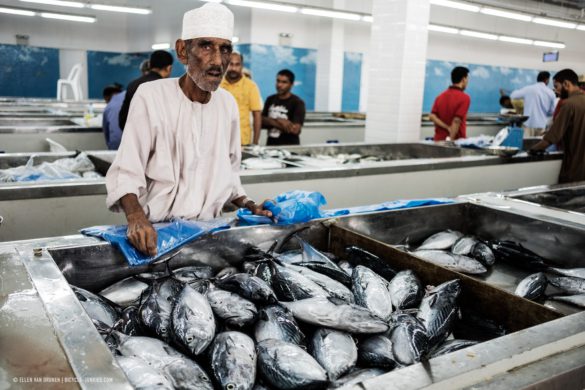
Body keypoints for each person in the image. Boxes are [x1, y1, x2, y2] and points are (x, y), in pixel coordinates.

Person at [106, 3, 272, 256]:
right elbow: (127, 169)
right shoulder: (151, 96)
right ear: (183, 51)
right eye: (206, 46)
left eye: (225, 49)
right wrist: (136, 217)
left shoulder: (227, 104)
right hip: (156, 234)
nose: (218, 61)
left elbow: (229, 170)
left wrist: (249, 204)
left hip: (208, 233)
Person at [530, 69, 585, 184]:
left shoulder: (569, 104)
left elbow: (551, 138)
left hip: (574, 170)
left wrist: (532, 150)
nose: (556, 90)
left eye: (556, 86)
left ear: (566, 84)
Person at [118, 50, 174, 130]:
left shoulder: (133, 84)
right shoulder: (166, 87)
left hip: (133, 137)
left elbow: (122, 120)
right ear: (169, 68)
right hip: (157, 139)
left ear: (150, 65)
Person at [220, 52, 263, 145]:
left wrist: (255, 143)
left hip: (242, 141)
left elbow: (257, 115)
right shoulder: (217, 85)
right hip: (219, 140)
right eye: (230, 64)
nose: (234, 68)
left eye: (237, 64)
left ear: (242, 66)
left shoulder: (251, 86)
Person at [262, 69, 306, 146]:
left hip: (290, 148)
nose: (279, 85)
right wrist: (279, 120)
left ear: (291, 84)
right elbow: (261, 121)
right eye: (278, 81)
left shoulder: (298, 102)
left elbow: (295, 130)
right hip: (270, 147)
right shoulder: (270, 99)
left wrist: (270, 121)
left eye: (284, 82)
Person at [429, 66, 471, 141]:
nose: (467, 82)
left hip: (438, 141)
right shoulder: (465, 98)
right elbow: (456, 121)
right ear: (463, 79)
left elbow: (432, 116)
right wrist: (450, 140)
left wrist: (447, 127)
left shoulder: (440, 96)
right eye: (467, 79)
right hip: (456, 142)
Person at [510, 71, 556, 137]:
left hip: (528, 124)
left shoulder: (528, 89)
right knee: (539, 145)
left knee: (526, 145)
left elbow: (513, 95)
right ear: (547, 80)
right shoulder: (551, 93)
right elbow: (552, 112)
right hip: (542, 125)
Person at [102, 85, 125, 150]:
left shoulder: (109, 107)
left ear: (106, 97)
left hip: (116, 147)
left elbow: (106, 133)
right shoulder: (130, 95)